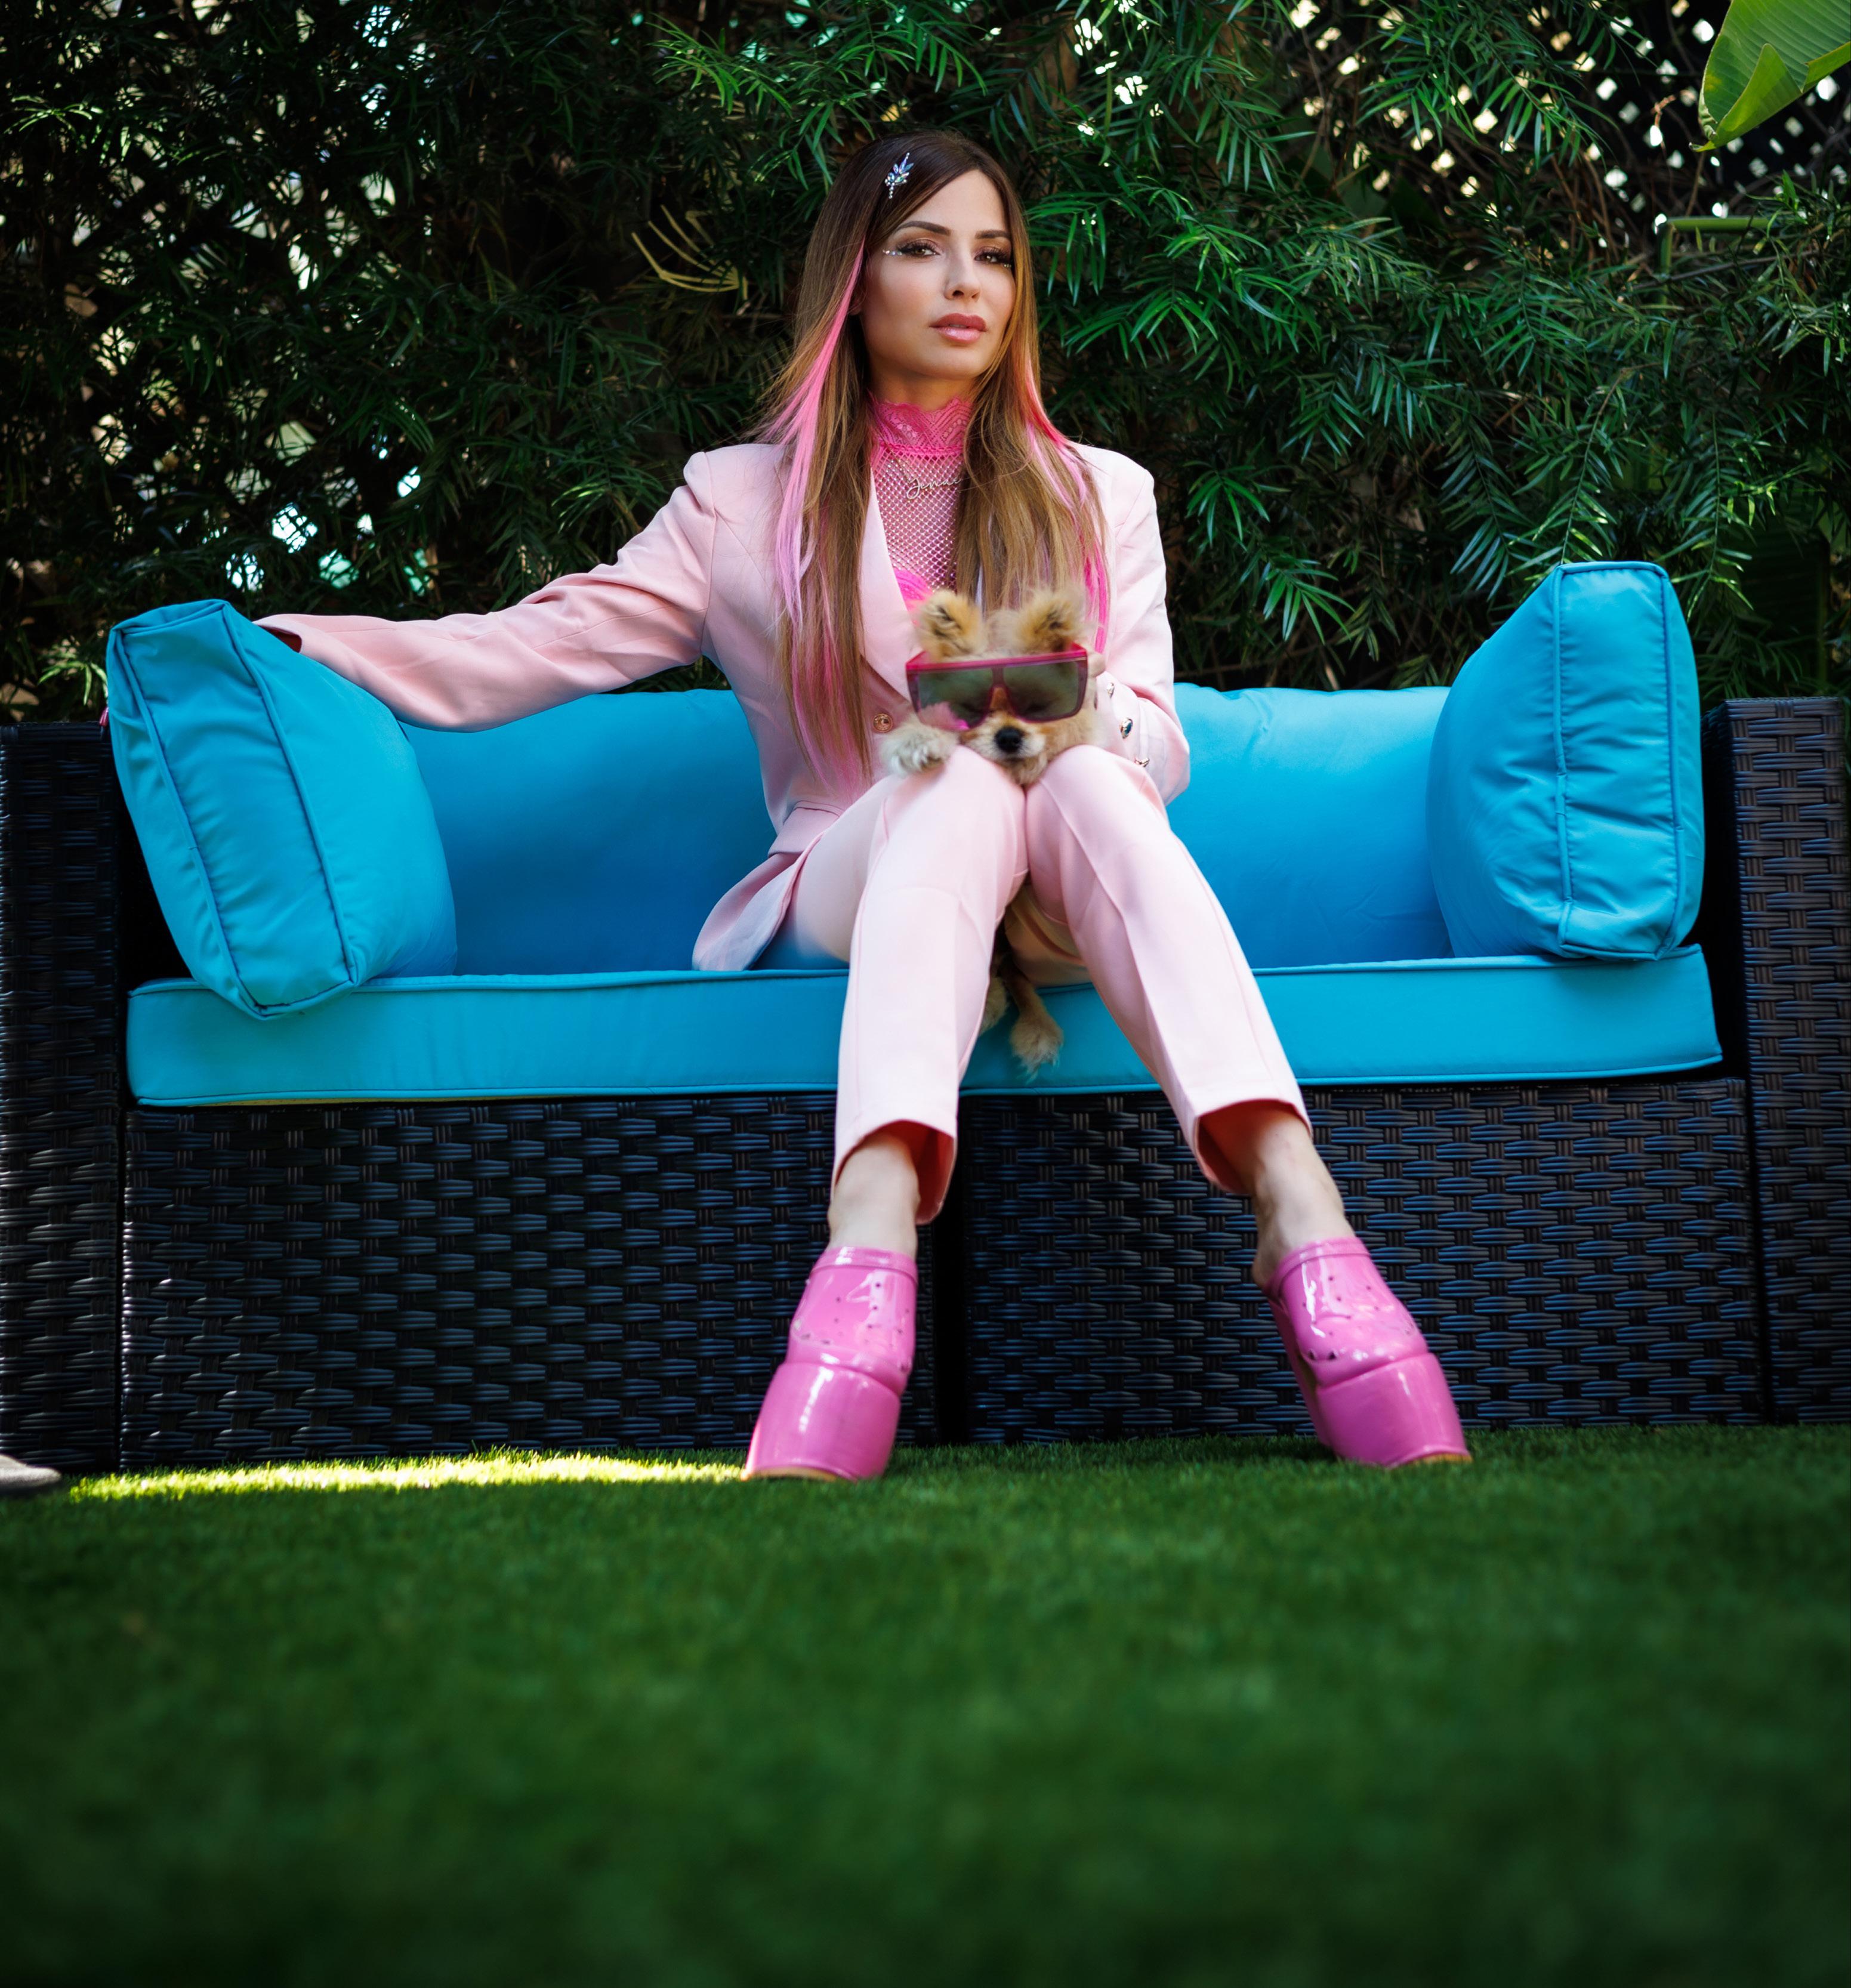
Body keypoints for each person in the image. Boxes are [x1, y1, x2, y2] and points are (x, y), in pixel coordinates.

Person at [258, 128, 1470, 1482]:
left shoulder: (1100, 493)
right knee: (957, 770)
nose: (966, 284)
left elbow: (1158, 743)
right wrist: (298, 649)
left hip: (1060, 892)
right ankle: (876, 1226)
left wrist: (1072, 713)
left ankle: (1298, 1205)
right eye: (922, 248)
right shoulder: (738, 503)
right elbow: (537, 644)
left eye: (993, 256)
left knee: (1080, 771)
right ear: (854, 276)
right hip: (856, 873)